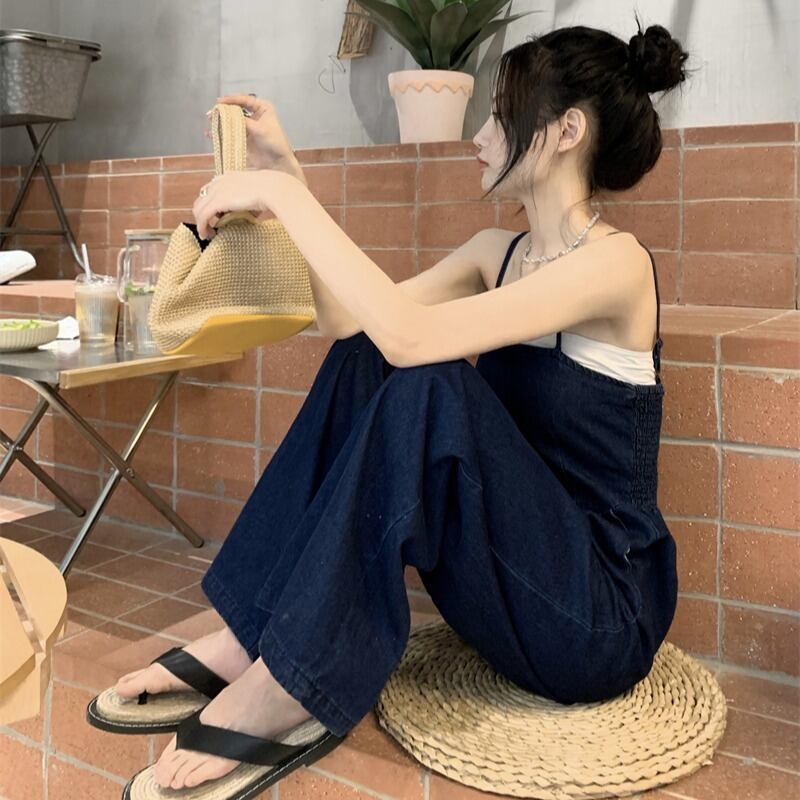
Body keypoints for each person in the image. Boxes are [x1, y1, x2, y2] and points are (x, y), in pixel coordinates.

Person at [90, 18, 689, 794]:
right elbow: (352, 325)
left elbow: (414, 340)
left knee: (429, 382)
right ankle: (251, 636)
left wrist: (278, 196)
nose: (480, 137)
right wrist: (289, 174)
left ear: (566, 131)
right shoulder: (495, 253)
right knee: (365, 356)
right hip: (512, 582)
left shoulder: (617, 266)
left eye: (501, 116)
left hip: (597, 618)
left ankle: (291, 682)